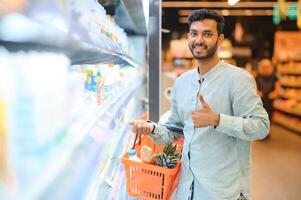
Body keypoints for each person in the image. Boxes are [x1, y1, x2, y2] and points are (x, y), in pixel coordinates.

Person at [130, 9, 269, 200]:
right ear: (188, 36)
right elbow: (176, 128)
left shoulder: (238, 79)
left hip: (224, 192)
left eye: (207, 34)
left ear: (220, 40)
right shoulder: (182, 82)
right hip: (188, 190)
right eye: (194, 33)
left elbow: (262, 127)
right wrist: (152, 129)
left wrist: (218, 120)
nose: (199, 40)